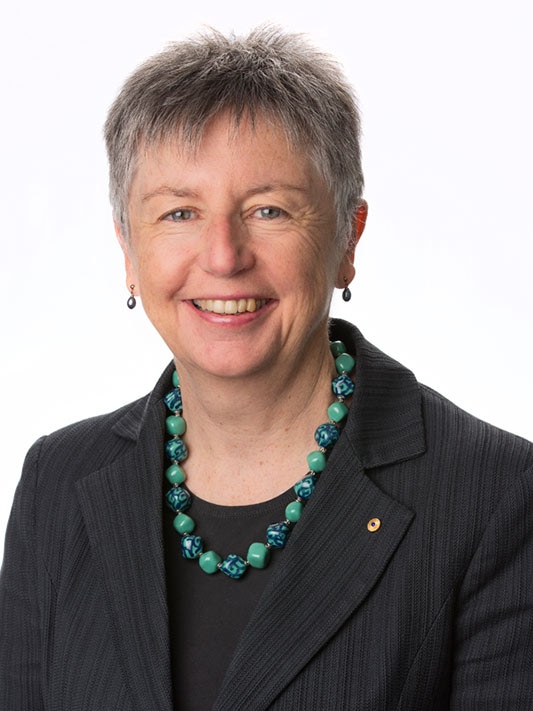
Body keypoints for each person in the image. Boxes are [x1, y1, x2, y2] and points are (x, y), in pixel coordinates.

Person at [1, 25, 532, 711]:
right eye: (179, 212)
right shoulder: (57, 483)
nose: (223, 255)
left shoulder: (492, 497)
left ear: (347, 238)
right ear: (128, 251)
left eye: (269, 209)